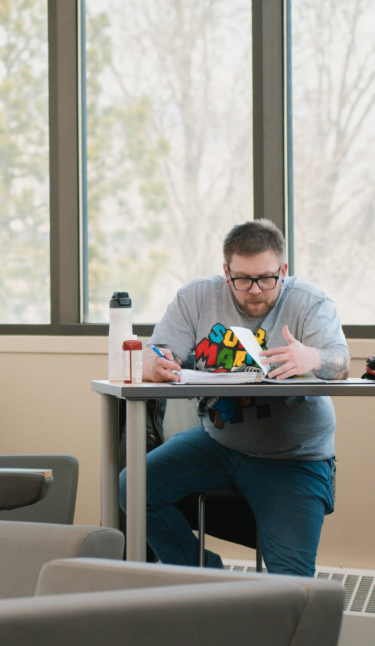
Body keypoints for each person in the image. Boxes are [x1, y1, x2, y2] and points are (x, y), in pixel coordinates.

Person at [119, 219, 349, 576]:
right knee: (132, 485)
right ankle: (206, 578)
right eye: (243, 279)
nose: (255, 290)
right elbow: (156, 353)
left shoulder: (309, 302)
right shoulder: (197, 297)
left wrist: (314, 358)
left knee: (293, 589)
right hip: (220, 442)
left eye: (266, 279)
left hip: (293, 456)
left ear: (283, 271)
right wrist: (155, 365)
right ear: (226, 272)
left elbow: (342, 362)